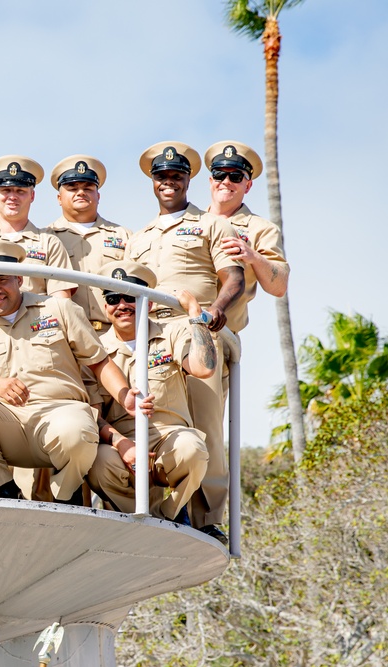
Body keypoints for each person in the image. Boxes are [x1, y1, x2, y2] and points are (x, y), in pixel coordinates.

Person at [0, 240, 149, 502]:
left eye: (2, 280)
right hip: (9, 423)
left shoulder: (58, 309)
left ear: (19, 278)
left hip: (60, 415)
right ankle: (3, 491)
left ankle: (65, 496)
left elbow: (100, 362)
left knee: (78, 430)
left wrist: (123, 395)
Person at [127, 141, 245, 541]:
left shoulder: (213, 224)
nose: (168, 182)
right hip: (151, 335)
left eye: (176, 176)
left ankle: (208, 517)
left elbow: (234, 278)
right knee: (159, 422)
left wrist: (213, 312)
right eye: (161, 176)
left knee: (207, 424)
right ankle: (166, 507)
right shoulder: (137, 236)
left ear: (188, 180)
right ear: (152, 182)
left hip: (195, 327)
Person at [85, 261, 212, 522]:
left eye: (131, 297)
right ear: (104, 306)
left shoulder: (171, 333)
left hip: (170, 439)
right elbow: (93, 415)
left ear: (149, 303)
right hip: (123, 443)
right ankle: (137, 519)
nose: (122, 305)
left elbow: (203, 368)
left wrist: (195, 314)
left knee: (192, 449)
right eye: (112, 298)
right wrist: (122, 445)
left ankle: (169, 516)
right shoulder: (94, 350)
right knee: (98, 462)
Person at [203, 141, 289, 353]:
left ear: (247, 186)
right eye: (219, 174)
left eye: (235, 177)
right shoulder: (191, 222)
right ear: (210, 180)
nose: (226, 181)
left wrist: (253, 256)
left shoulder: (261, 229)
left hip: (219, 335)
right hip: (175, 330)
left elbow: (279, 287)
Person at [45, 155, 131, 331]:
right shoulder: (45, 238)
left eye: (87, 187)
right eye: (72, 187)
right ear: (59, 198)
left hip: (116, 334)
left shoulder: (124, 236)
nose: (81, 192)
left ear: (98, 195)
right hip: (67, 334)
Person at [0, 155, 73, 298]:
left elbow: (60, 303)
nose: (12, 196)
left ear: (32, 196)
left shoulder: (49, 243)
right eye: (6, 190)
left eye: (20, 191)